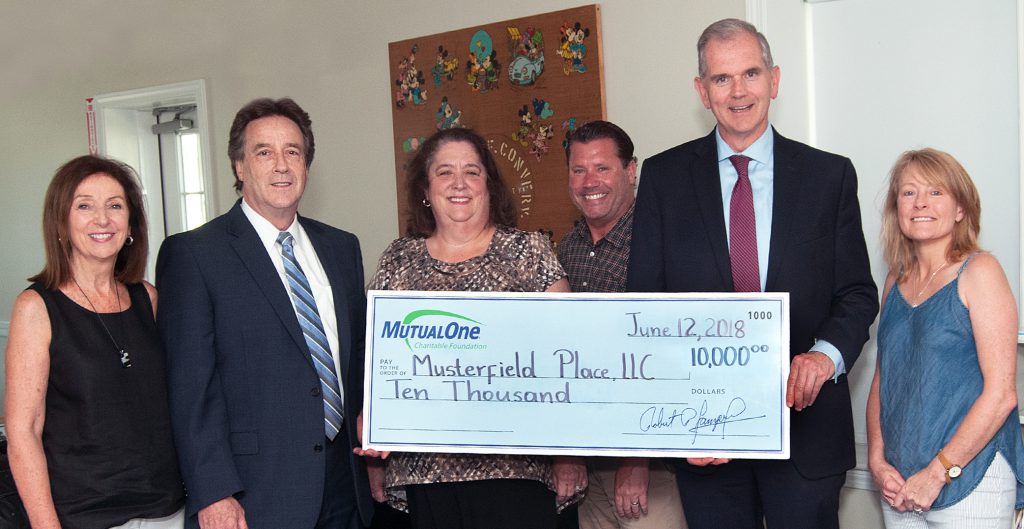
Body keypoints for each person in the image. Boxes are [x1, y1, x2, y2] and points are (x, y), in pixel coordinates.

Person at [626, 18, 878, 529]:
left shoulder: (829, 176)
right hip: (705, 438)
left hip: (806, 435)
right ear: (702, 90)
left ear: (775, 79)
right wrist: (677, 425)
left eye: (750, 73)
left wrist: (824, 356)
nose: (738, 91)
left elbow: (856, 294)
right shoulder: (664, 178)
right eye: (722, 79)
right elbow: (644, 308)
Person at [156, 98, 373, 529]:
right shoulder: (195, 255)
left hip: (345, 486)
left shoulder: (341, 248)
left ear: (307, 164)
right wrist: (214, 492)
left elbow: (358, 362)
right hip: (253, 495)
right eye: (264, 152)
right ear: (239, 166)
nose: (281, 166)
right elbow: (189, 390)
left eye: (293, 152)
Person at [365, 127, 581, 529]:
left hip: (516, 469)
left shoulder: (528, 250)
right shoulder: (398, 259)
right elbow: (376, 362)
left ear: (489, 185)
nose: (459, 183)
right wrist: (374, 433)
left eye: (472, 171)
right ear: (426, 189)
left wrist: (570, 453)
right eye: (445, 172)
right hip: (426, 472)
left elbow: (569, 358)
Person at [5, 155, 184, 528]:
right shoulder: (36, 307)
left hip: (166, 510)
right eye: (84, 206)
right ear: (61, 222)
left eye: (115, 206)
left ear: (131, 223)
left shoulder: (147, 299)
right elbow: (24, 430)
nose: (102, 220)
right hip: (83, 516)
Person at [867, 148, 1024, 527]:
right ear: (896, 208)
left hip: (970, 481)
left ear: (960, 209)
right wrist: (876, 459)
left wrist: (938, 473)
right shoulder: (895, 279)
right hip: (901, 483)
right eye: (909, 193)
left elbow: (1001, 394)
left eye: (936, 192)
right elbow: (882, 381)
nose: (921, 202)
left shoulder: (980, 271)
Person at [557, 120, 687, 529]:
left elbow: (670, 357)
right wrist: (569, 454)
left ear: (631, 171)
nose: (589, 181)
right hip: (587, 466)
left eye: (602, 168)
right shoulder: (566, 249)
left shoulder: (664, 244)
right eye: (578, 170)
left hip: (650, 469)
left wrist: (637, 458)